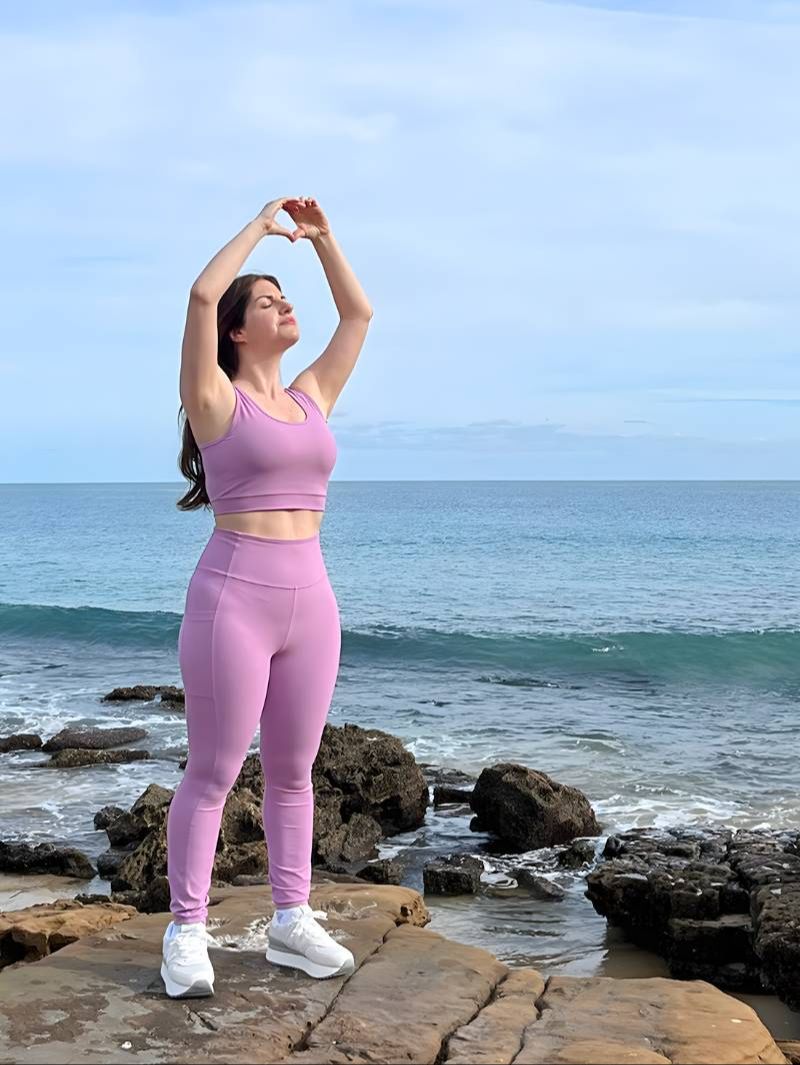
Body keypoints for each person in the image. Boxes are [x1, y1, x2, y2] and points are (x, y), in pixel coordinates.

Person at [161, 196, 373, 998]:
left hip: (311, 596)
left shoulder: (312, 392)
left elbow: (359, 312)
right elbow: (199, 296)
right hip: (234, 595)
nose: (287, 306)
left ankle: (291, 919)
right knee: (214, 770)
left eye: (287, 297)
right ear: (240, 331)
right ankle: (187, 929)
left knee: (294, 770)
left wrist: (322, 240)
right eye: (270, 300)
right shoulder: (217, 398)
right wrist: (257, 225)